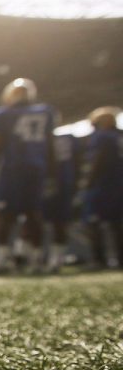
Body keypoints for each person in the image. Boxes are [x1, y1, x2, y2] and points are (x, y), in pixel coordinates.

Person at [0, 78, 56, 274]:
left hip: (13, 169)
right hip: (37, 168)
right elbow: (50, 146)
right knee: (34, 214)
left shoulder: (4, 114)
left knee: (6, 215)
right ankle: (36, 259)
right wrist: (52, 173)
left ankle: (1, 259)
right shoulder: (45, 112)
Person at [83, 106, 123, 269]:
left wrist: (89, 181)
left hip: (104, 185)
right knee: (117, 224)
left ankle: (97, 259)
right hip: (119, 185)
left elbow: (99, 161)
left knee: (93, 223)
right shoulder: (119, 135)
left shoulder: (102, 137)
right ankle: (120, 258)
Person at [42, 133, 82, 273]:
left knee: (55, 221)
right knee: (55, 221)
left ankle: (53, 259)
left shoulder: (61, 139)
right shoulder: (69, 139)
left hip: (50, 182)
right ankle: (51, 259)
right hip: (63, 182)